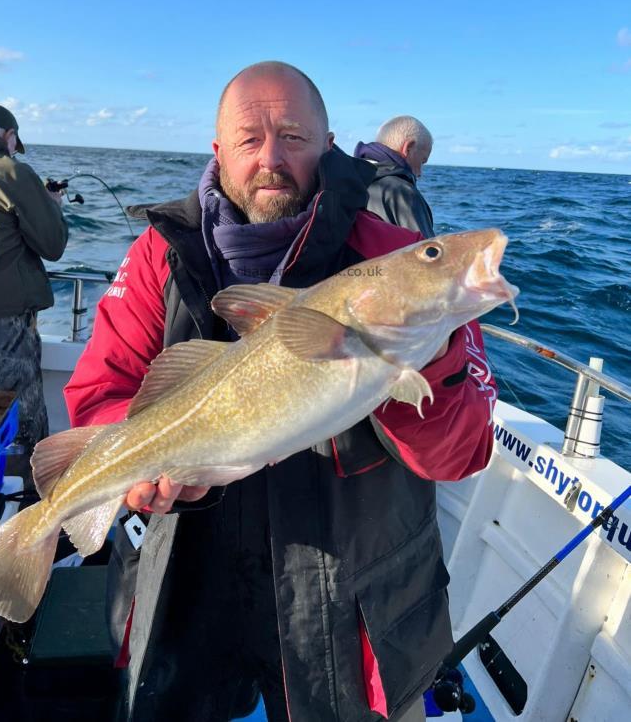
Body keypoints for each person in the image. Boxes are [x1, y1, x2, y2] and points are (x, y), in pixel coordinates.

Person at [64, 63, 497, 722]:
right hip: (191, 584)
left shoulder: (392, 255)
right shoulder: (160, 251)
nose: (271, 158)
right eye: (249, 139)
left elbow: (457, 456)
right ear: (217, 152)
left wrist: (433, 355)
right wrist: (135, 468)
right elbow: (101, 388)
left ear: (328, 144)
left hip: (355, 604)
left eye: (293, 136)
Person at [0, 102, 68, 471]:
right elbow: (52, 244)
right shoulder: (10, 172)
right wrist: (53, 205)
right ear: (9, 137)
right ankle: (35, 515)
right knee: (24, 435)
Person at [355, 115, 435, 237]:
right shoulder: (402, 192)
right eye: (422, 161)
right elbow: (428, 252)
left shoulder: (348, 179)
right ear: (407, 148)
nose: (419, 173)